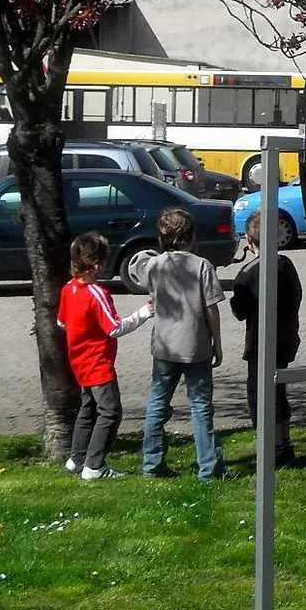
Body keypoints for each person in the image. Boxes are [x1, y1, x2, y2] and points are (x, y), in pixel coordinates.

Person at [135, 206, 227, 480]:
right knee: (200, 406)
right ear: (191, 236)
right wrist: (217, 343)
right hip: (195, 345)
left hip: (164, 345)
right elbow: (211, 308)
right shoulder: (201, 266)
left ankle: (151, 463)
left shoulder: (154, 265)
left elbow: (149, 289)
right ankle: (208, 467)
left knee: (158, 403)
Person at [56, 231, 152, 480]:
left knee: (88, 408)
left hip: (78, 361)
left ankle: (76, 459)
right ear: (97, 263)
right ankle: (94, 465)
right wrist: (144, 312)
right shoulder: (97, 294)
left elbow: (62, 322)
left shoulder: (69, 289)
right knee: (110, 412)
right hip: (97, 363)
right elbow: (114, 328)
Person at [229, 217, 303, 467]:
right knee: (279, 392)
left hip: (260, 344)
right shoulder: (287, 264)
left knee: (261, 396)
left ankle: (270, 449)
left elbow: (239, 310)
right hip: (286, 339)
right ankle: (284, 444)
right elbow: (297, 295)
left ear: (249, 240)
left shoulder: (249, 273)